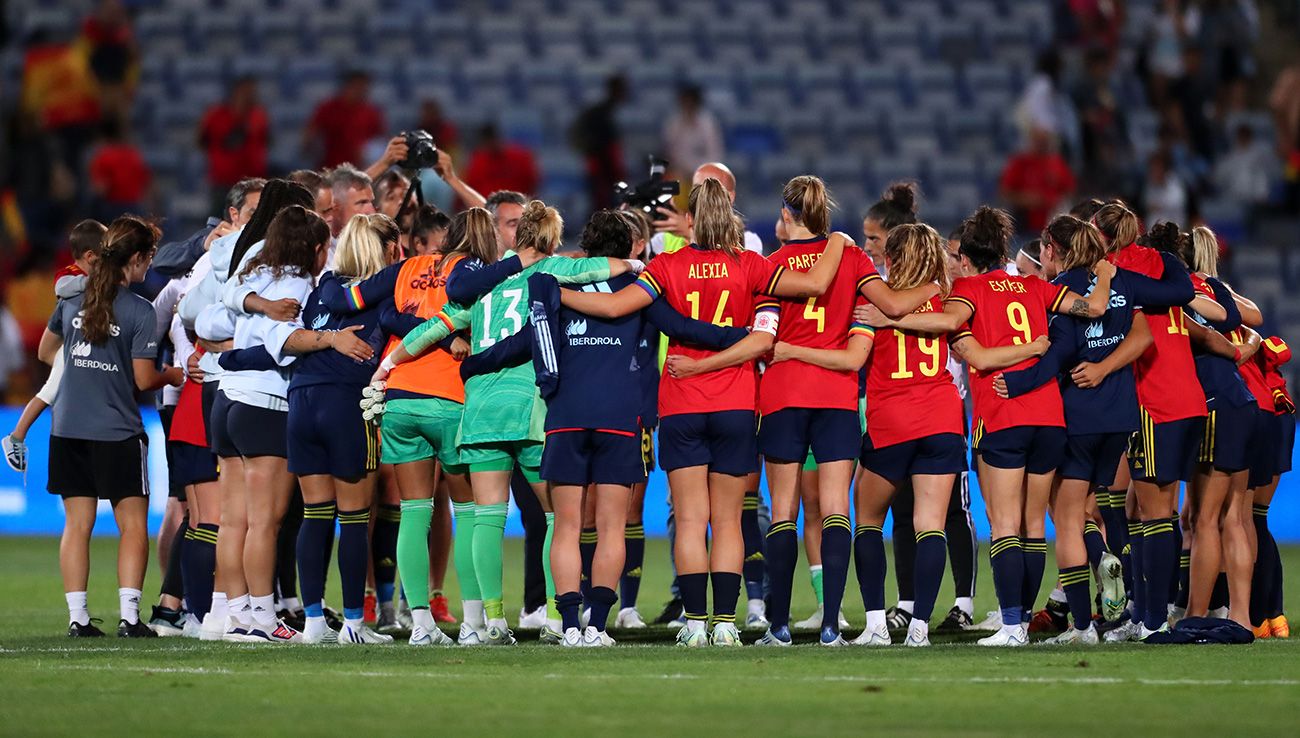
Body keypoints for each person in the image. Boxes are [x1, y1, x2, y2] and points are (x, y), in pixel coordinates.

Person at [557, 178, 849, 647]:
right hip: (736, 404)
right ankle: (727, 625)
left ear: (689, 219)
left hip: (681, 405)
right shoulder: (752, 265)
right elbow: (816, 284)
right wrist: (837, 239)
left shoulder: (667, 266)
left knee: (691, 520)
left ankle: (694, 624)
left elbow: (612, 307)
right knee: (730, 521)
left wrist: (556, 293)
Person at [374, 201, 639, 646]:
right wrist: (635, 261)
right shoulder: (553, 269)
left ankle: (489, 623)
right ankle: (559, 619)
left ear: (516, 240)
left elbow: (433, 329)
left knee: (485, 518)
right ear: (553, 241)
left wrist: (386, 367)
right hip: (530, 408)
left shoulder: (486, 288)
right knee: (559, 517)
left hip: (479, 411)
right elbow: (603, 266)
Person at [861, 206, 1113, 647]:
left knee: (1003, 525)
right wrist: (1105, 275)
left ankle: (1013, 625)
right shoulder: (1037, 285)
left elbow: (951, 329)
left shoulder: (968, 290)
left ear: (968, 257)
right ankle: (1023, 625)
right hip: (1051, 416)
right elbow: (1093, 307)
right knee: (1035, 526)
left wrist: (890, 318)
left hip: (1003, 412)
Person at [535, 211, 748, 646]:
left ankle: (570, 627)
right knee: (614, 526)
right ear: (630, 248)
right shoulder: (641, 290)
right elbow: (684, 328)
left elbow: (531, 342)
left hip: (566, 416)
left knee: (568, 525)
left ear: (587, 246)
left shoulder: (557, 285)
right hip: (620, 418)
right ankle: (597, 625)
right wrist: (736, 336)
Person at [995, 215, 1190, 644]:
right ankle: (1119, 580)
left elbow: (1057, 354)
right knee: (1102, 508)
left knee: (1068, 519)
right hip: (1120, 420)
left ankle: (1083, 626)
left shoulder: (1062, 290)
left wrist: (1019, 382)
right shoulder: (1123, 282)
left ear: (1052, 249)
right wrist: (1168, 256)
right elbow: (1164, 312)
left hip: (1077, 418)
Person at [202, 205, 371, 643]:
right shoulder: (296, 283)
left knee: (233, 520)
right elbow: (284, 342)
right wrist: (333, 338)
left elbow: (216, 309)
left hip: (227, 398)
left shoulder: (255, 272)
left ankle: (230, 613)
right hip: (265, 403)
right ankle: (261, 618)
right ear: (316, 249)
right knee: (264, 523)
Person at [38, 215, 183, 637]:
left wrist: (83, 367)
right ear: (134, 259)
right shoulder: (138, 311)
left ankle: (78, 618)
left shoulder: (70, 299)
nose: (149, 267)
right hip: (117, 431)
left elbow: (48, 352)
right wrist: (171, 376)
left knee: (77, 526)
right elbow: (142, 380)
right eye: (149, 258)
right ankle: (129, 617)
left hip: (67, 427)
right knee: (133, 527)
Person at [1091, 203, 1208, 641]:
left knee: (1153, 513)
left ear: (1101, 236)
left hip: (1154, 402)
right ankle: (1147, 612)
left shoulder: (1112, 273)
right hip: (1189, 401)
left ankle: (1153, 620)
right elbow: (1180, 293)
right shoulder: (1166, 262)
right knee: (1151, 511)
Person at [4, 220, 105, 471]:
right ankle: (16, 436)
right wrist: (94, 282)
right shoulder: (70, 273)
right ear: (91, 256)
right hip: (68, 344)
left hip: (80, 343)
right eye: (105, 252)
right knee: (50, 389)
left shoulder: (92, 275)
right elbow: (61, 288)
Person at [152, 177, 265, 280]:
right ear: (234, 214)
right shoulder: (213, 238)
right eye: (254, 214)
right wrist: (201, 246)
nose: (265, 220)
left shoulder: (276, 242)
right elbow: (160, 261)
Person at [649, 163, 763, 256]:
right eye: (697, 189)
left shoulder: (749, 242)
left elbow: (736, 274)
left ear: (730, 197)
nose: (702, 195)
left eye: (711, 190)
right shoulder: (661, 241)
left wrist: (692, 234)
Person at [198, 76, 269, 215]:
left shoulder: (258, 116)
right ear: (235, 93)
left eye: (252, 92)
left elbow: (265, 141)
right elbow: (205, 140)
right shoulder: (218, 115)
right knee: (218, 223)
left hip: (253, 183)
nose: (250, 96)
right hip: (224, 182)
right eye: (246, 92)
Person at [999, 127, 1076, 235]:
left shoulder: (1057, 163)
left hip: (1052, 223)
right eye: (1037, 141)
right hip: (1025, 222)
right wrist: (1026, 199)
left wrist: (1058, 204)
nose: (1041, 144)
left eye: (1044, 141)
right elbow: (1005, 193)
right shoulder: (1020, 162)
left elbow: (1070, 190)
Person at [305, 71, 385, 169]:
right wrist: (309, 146)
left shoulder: (371, 112)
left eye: (364, 87)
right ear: (347, 86)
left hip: (359, 170)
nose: (361, 91)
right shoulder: (329, 108)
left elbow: (380, 140)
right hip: (330, 167)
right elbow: (311, 132)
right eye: (358, 86)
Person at [570, 74, 627, 211]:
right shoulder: (599, 113)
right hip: (602, 170)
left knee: (608, 206)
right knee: (601, 206)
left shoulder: (608, 112)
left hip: (607, 171)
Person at [463, 124, 540, 204]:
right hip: (489, 209)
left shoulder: (520, 157)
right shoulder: (478, 160)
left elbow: (532, 181)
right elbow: (471, 187)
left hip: (516, 207)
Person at [663, 84, 724, 181]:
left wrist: (699, 172)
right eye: (685, 103)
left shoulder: (708, 124)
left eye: (691, 103)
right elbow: (669, 150)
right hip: (679, 172)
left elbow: (714, 153)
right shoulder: (674, 123)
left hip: (702, 174)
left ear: (696, 103)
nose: (688, 106)